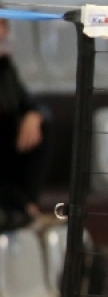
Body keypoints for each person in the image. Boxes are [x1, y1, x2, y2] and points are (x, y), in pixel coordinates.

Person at [0, 18, 51, 232]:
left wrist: (34, 115)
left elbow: (29, 101)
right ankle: (21, 208)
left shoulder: (5, 68)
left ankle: (27, 206)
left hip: (6, 156)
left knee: (41, 128)